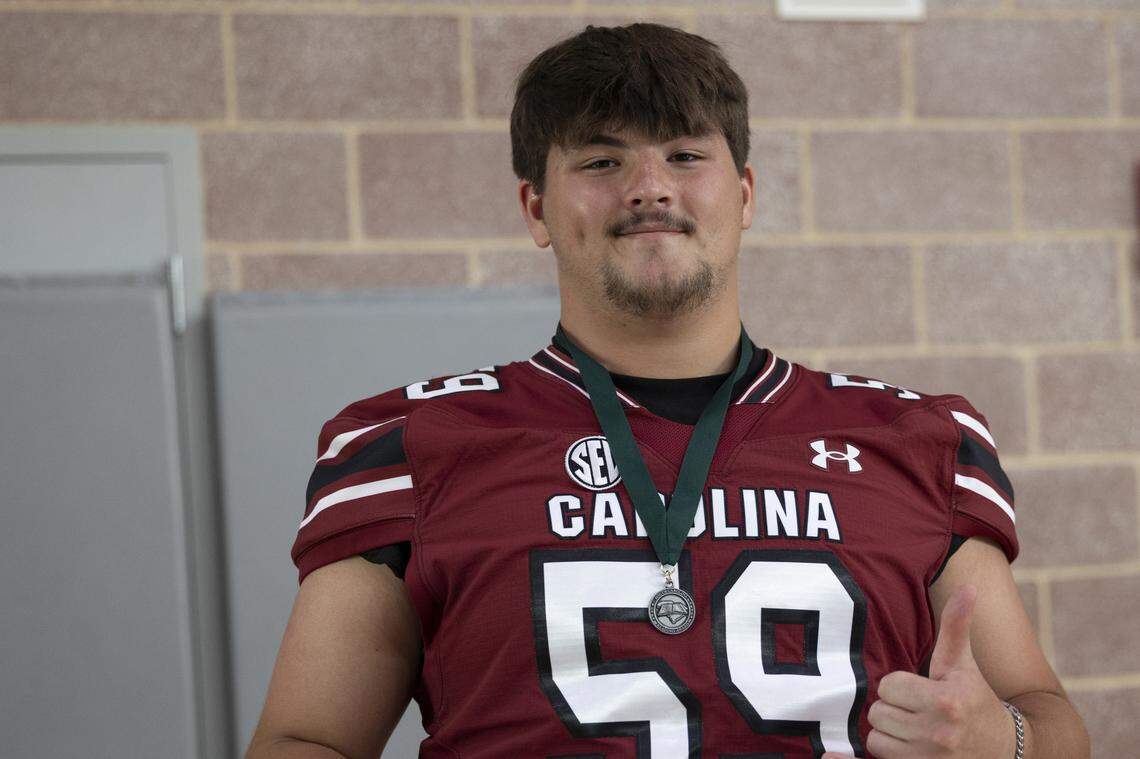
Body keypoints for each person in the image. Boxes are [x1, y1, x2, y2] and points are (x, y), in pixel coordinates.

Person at [245, 23, 1090, 759]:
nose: (650, 187)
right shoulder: (409, 444)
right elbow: (305, 737)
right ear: (536, 208)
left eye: (686, 155)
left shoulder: (914, 438)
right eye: (602, 160)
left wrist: (1002, 740)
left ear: (745, 194)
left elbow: (1052, 720)